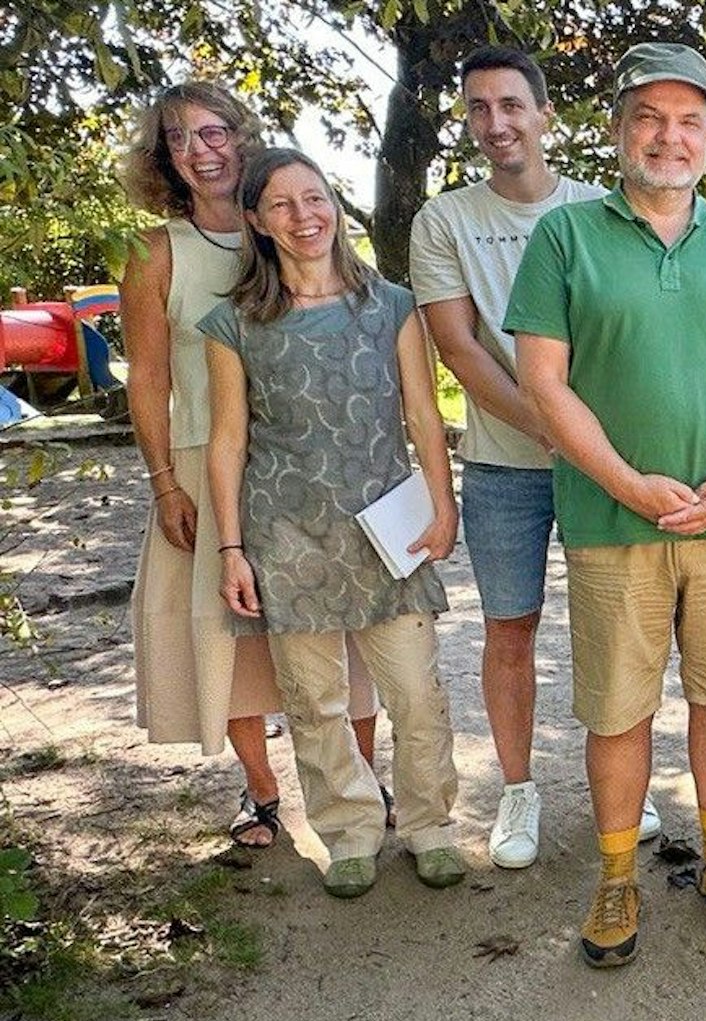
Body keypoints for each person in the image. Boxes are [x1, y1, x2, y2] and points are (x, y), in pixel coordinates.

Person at [507, 43, 706, 966]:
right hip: (610, 522)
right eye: (649, 118)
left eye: (688, 121)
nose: (668, 138)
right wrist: (626, 483)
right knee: (616, 709)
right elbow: (543, 383)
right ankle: (615, 876)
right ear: (617, 129)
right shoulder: (564, 237)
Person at [408, 46, 662, 871]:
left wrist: (591, 446)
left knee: (617, 628)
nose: (496, 124)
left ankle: (626, 784)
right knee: (509, 628)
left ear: (544, 115)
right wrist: (553, 428)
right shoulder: (443, 221)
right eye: (478, 109)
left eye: (511, 105)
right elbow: (462, 352)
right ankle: (518, 790)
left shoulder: (603, 207)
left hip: (608, 461)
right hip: (503, 466)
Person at [120, 82, 379, 851]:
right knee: (227, 636)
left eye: (214, 132)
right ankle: (264, 793)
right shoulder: (156, 253)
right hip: (207, 464)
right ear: (164, 158)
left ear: (242, 135)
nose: (202, 152)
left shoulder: (300, 227)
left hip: (313, 463)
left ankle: (362, 783)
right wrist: (166, 482)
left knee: (348, 631)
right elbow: (150, 379)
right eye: (179, 140)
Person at [202, 148, 462, 899]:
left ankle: (428, 826)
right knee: (314, 702)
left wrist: (443, 506)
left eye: (314, 199)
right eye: (281, 205)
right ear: (256, 220)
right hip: (286, 535)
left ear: (335, 206)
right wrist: (231, 550)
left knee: (414, 692)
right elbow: (229, 440)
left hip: (390, 530)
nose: (303, 217)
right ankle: (347, 832)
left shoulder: (392, 304)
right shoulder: (235, 324)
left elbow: (422, 414)